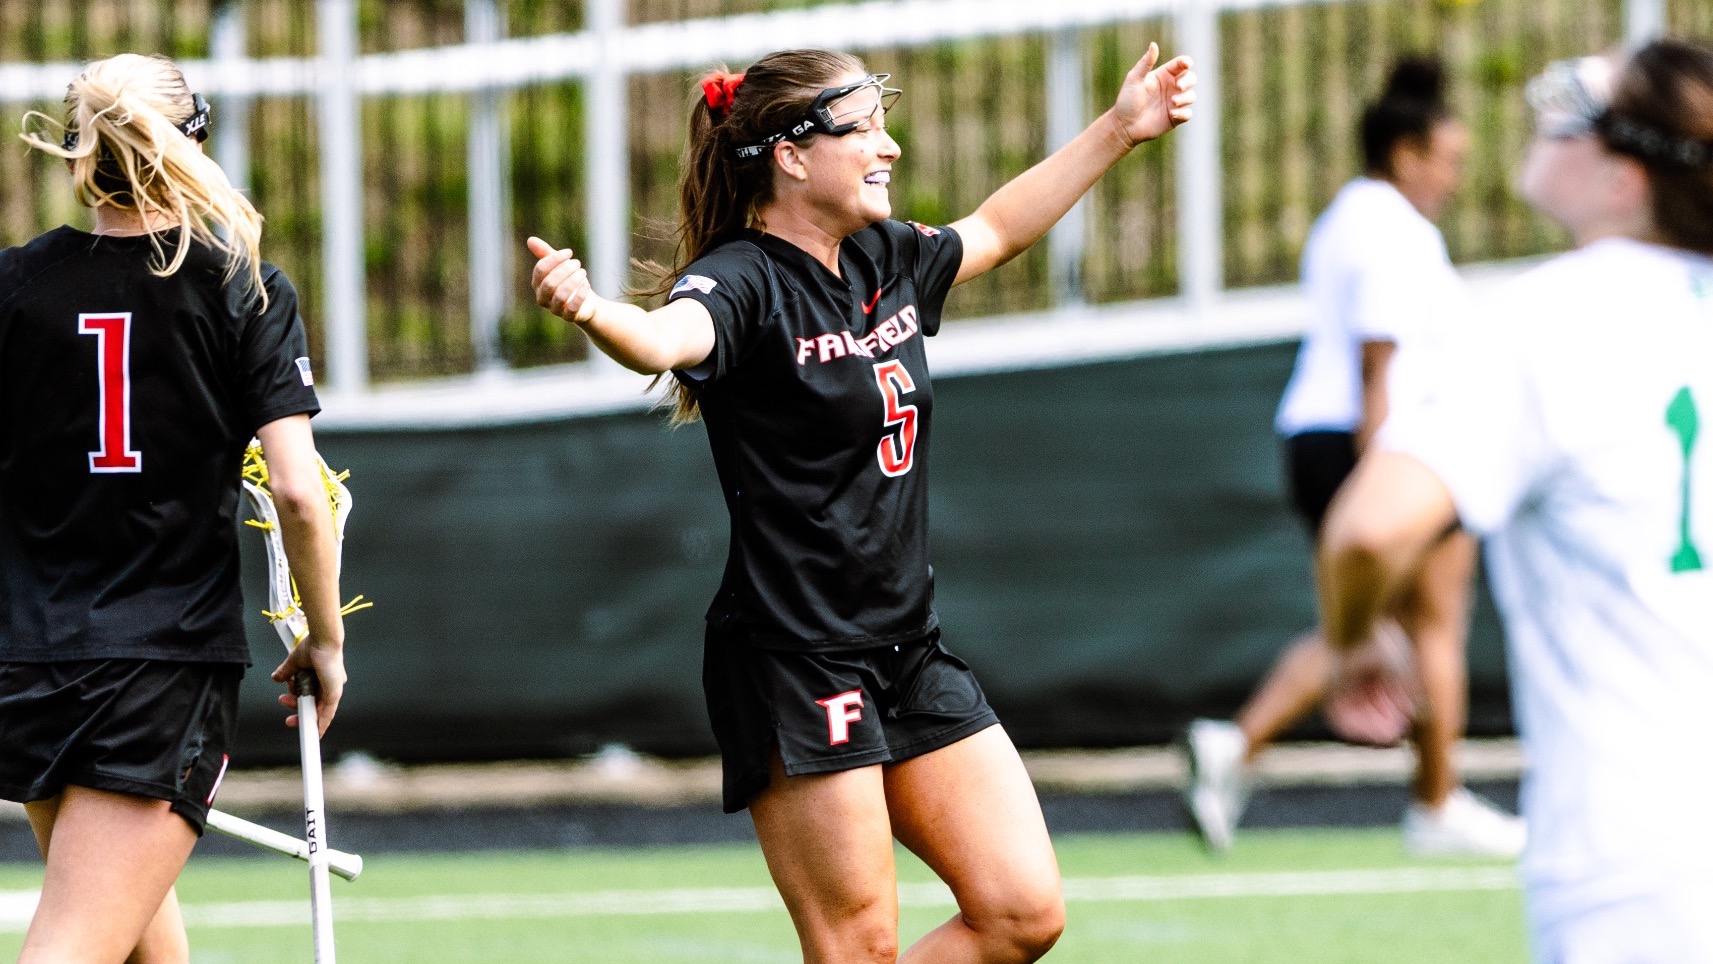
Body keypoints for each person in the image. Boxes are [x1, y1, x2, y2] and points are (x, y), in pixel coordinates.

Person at [528, 44, 1193, 964]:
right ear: (792, 157)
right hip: (797, 659)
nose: (889, 146)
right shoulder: (742, 279)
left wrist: (1120, 130)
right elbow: (662, 338)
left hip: (908, 647)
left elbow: (997, 226)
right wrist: (593, 309)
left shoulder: (882, 257)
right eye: (863, 128)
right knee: (856, 948)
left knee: (1021, 911)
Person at [1319, 39, 1713, 962]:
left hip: (1634, 867)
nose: (1545, 120)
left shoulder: (1547, 319)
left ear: (1627, 177)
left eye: (1576, 110)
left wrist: (1350, 643)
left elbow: (1369, 532)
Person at [0, 53, 346, 964]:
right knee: (74, 945)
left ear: (81, 158)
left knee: (150, 951)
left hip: (30, 658)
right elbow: (300, 494)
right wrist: (326, 638)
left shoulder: (16, 286)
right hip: (157, 667)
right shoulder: (243, 286)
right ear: (195, 143)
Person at [1181, 57, 1525, 857]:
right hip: (1380, 444)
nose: (1452, 178)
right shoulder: (1390, 229)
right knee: (1435, 625)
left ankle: (1236, 747)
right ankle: (1435, 804)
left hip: (1328, 440)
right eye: (1446, 162)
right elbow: (1382, 362)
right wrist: (1383, 470)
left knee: (1373, 629)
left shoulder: (1349, 217)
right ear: (1405, 153)